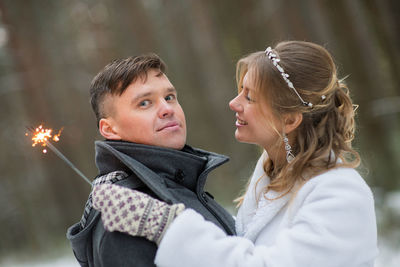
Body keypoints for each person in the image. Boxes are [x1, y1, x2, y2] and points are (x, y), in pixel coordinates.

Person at [92, 41, 378, 267]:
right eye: (144, 103)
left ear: (289, 120)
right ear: (109, 127)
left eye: (249, 97)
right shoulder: (270, 175)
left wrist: (169, 226)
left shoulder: (339, 193)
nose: (233, 102)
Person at [66, 54, 236, 267]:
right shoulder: (127, 216)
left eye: (170, 97)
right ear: (110, 129)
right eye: (144, 103)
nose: (167, 109)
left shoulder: (183, 184)